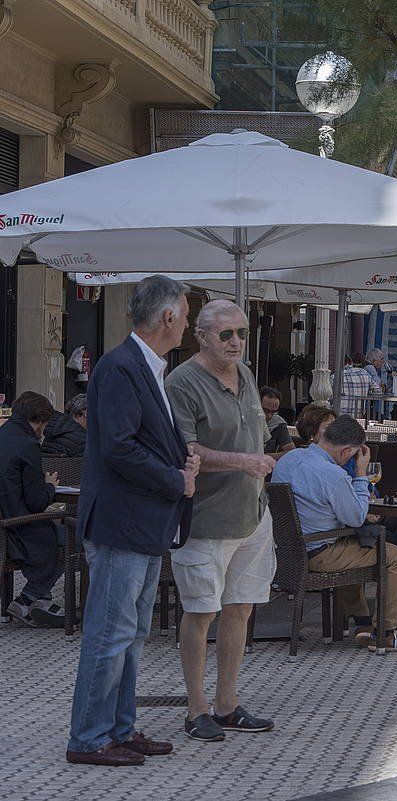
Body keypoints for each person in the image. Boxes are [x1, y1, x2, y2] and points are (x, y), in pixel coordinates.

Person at [67, 275, 199, 767]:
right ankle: (90, 737)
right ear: (167, 317)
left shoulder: (146, 366)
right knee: (110, 632)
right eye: (185, 315)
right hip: (123, 521)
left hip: (143, 522)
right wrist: (174, 479)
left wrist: (181, 460)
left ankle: (119, 728)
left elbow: (140, 441)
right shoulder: (121, 366)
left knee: (132, 632)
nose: (187, 323)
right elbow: (119, 448)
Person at [165, 299, 278, 743]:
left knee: (240, 610)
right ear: (203, 336)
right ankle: (196, 709)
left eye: (242, 334)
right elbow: (184, 452)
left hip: (252, 516)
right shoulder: (182, 382)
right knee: (200, 613)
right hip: (204, 520)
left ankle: (227, 704)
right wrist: (241, 461)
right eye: (226, 335)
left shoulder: (246, 375)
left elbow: (259, 436)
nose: (236, 342)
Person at [271, 415, 397, 650]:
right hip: (318, 553)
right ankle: (385, 632)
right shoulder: (331, 474)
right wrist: (361, 473)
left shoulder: (289, 459)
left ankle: (363, 623)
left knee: (355, 545)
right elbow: (355, 516)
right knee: (395, 557)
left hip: (285, 552)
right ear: (347, 452)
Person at [0, 391, 65, 627]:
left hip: (6, 522)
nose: (44, 431)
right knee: (76, 538)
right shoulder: (27, 445)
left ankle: (40, 599)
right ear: (38, 420)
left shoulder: (3, 434)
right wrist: (49, 486)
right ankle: (29, 597)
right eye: (44, 425)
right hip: (20, 526)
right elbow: (37, 502)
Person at [260, 386, 294, 459]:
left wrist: (265, 457)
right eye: (265, 410)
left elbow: (291, 452)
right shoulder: (246, 420)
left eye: (273, 412)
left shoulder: (278, 423)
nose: (269, 416)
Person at [340, 353, 377, 417]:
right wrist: (367, 392)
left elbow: (329, 396)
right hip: (358, 417)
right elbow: (378, 391)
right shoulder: (366, 374)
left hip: (340, 417)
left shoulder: (337, 376)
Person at [365, 348, 392, 417]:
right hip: (369, 407)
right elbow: (379, 388)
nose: (383, 362)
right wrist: (383, 386)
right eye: (381, 359)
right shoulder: (370, 367)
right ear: (374, 360)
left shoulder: (372, 368)